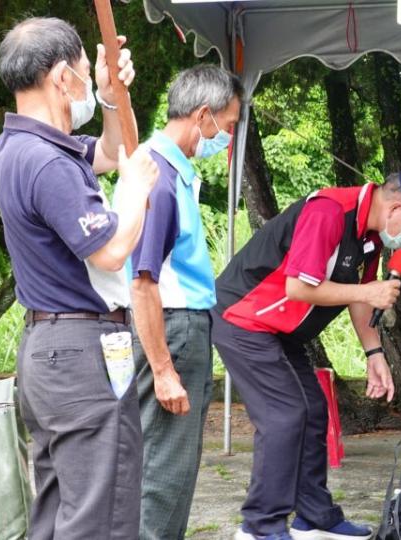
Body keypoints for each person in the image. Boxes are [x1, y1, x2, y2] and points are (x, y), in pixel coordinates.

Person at [212, 169, 401, 540]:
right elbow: (298, 288)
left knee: (313, 410)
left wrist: (374, 353)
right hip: (243, 318)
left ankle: (315, 517)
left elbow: (360, 296)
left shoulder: (370, 237)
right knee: (284, 416)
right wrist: (367, 293)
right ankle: (260, 527)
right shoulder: (328, 212)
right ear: (397, 208)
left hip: (282, 332)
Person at [0, 17, 157, 539]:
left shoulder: (22, 146)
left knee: (62, 507)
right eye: (87, 72)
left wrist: (109, 98)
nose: (88, 80)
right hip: (81, 350)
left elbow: (106, 153)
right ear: (63, 77)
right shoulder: (47, 162)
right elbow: (109, 251)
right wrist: (137, 192)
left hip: (52, 349)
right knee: (99, 515)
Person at [128, 65, 243, 540]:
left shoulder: (173, 169)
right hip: (172, 327)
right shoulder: (158, 175)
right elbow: (143, 281)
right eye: (229, 125)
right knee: (164, 470)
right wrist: (162, 369)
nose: (228, 136)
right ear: (202, 116)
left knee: (166, 463)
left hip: (181, 325)